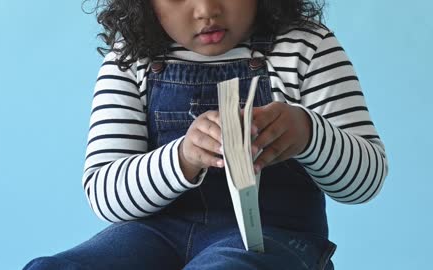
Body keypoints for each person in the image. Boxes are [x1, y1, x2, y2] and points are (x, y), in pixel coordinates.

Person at [23, 0, 388, 269]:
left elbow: (366, 182)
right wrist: (182, 158)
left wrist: (308, 133)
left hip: (273, 239)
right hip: (152, 235)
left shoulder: (306, 48)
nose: (206, 9)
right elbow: (105, 194)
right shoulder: (129, 60)